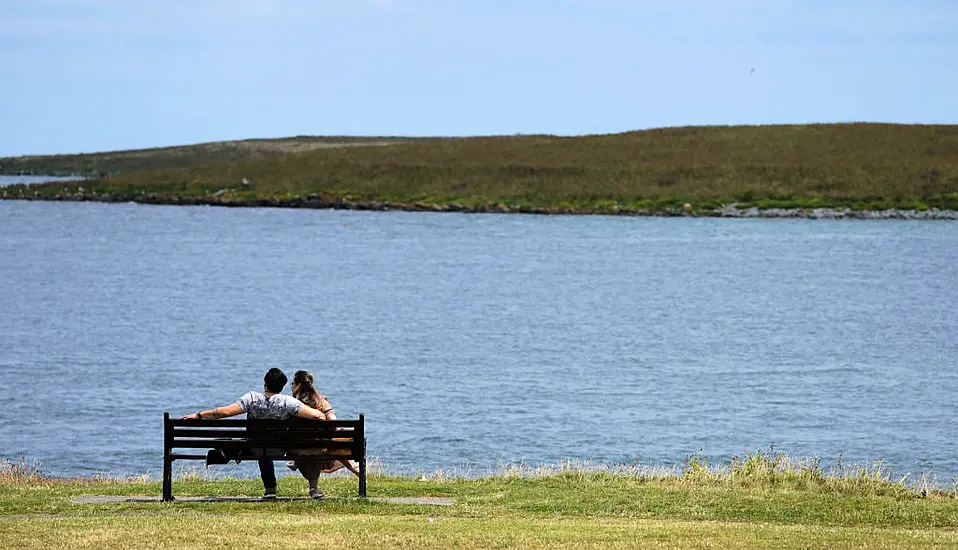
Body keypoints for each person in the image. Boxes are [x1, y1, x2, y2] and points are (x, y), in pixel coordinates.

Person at [182, 367, 328, 500]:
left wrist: (199, 415)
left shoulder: (251, 398)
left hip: (254, 448)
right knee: (267, 443)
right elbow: (318, 416)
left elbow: (222, 412)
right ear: (282, 386)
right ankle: (304, 487)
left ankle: (270, 489)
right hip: (279, 449)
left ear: (265, 383)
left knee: (260, 443)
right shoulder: (289, 402)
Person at [287, 370, 360, 495]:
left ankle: (312, 485)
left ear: (299, 385)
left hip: (297, 449)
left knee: (308, 448)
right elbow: (333, 422)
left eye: (292, 384)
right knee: (335, 445)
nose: (291, 387)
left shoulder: (290, 404)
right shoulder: (321, 402)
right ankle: (358, 471)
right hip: (319, 448)